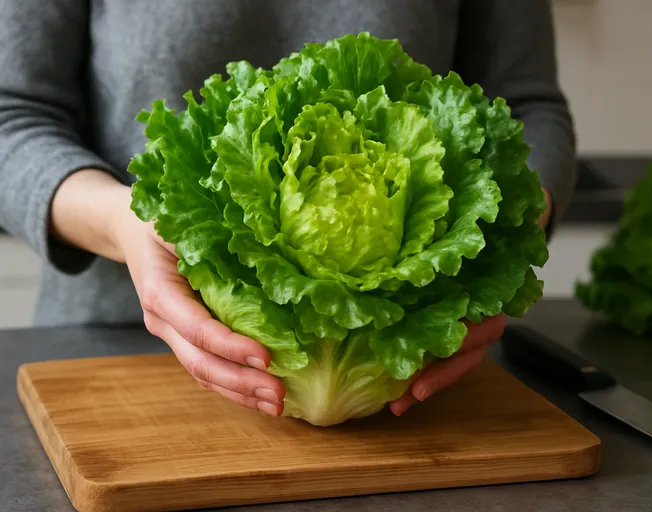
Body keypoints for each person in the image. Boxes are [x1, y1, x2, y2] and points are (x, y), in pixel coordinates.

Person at [0, 0, 576, 418]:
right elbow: (11, 115)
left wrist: (497, 256)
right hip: (107, 357)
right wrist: (128, 224)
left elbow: (529, 108)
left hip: (409, 384)